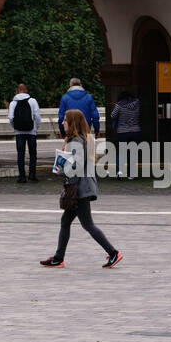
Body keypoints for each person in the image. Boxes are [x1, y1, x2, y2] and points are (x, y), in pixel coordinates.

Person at [41, 109, 122, 268]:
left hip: (79, 189)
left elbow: (76, 167)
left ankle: (113, 253)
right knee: (66, 221)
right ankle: (58, 257)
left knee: (87, 224)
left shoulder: (75, 141)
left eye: (65, 120)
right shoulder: (81, 139)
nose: (62, 122)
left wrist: (60, 170)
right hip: (83, 187)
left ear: (72, 123)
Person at [8, 82, 42, 183]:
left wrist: (15, 127)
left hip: (19, 132)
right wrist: (35, 128)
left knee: (20, 154)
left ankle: (22, 176)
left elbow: (10, 118)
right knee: (32, 154)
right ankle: (32, 175)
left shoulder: (13, 103)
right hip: (31, 131)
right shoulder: (33, 101)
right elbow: (37, 116)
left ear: (17, 91)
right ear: (26, 91)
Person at [110, 89, 141, 177]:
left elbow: (113, 115)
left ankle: (119, 172)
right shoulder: (137, 104)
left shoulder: (119, 105)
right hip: (135, 131)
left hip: (123, 132)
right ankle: (131, 175)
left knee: (121, 153)